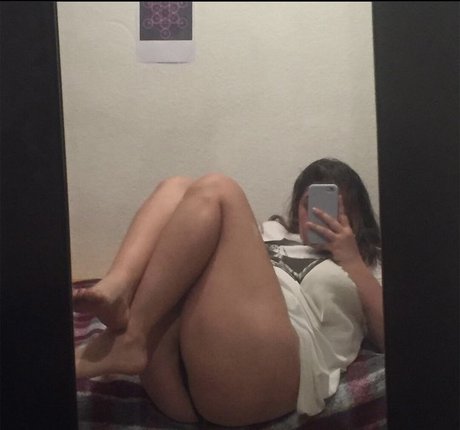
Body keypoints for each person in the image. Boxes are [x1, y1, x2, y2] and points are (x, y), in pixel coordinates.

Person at [73, 158, 384, 426]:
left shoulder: (370, 261)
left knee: (220, 189)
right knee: (176, 187)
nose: (325, 216)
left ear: (360, 215)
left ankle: (131, 335)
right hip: (174, 367)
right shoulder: (271, 233)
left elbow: (390, 340)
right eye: (311, 205)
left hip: (262, 376)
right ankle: (117, 287)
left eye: (339, 208)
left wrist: (351, 259)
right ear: (297, 208)